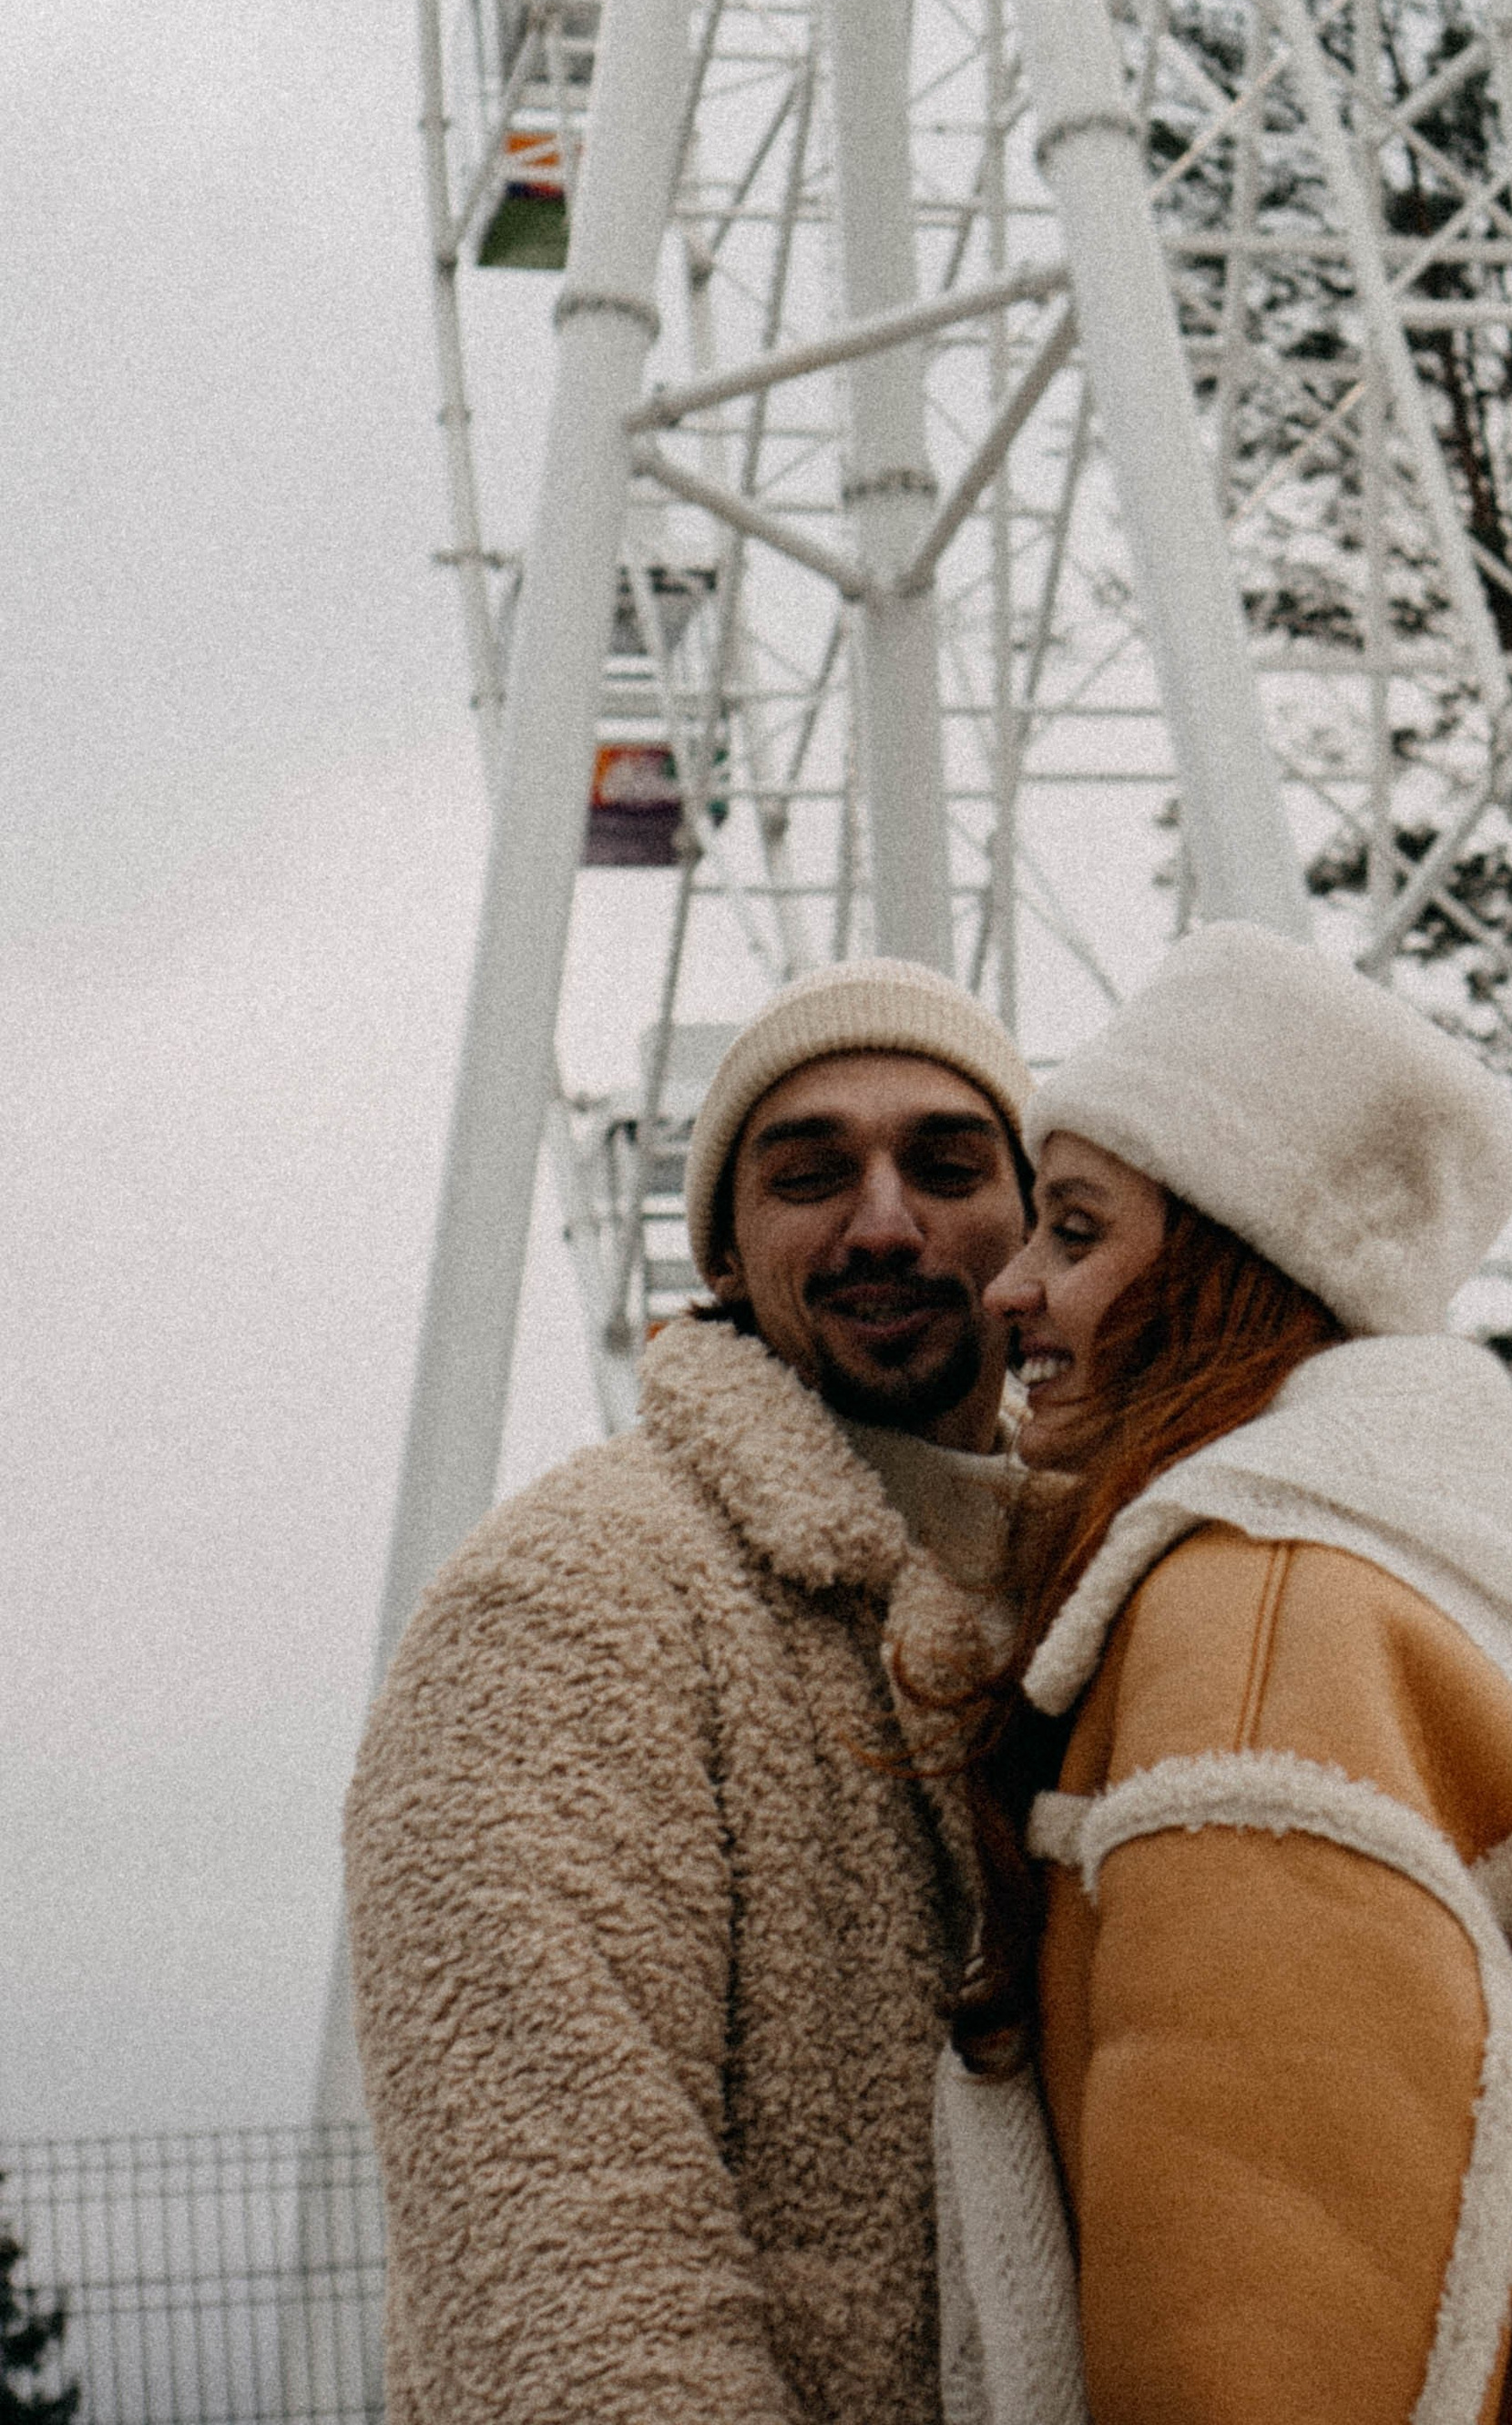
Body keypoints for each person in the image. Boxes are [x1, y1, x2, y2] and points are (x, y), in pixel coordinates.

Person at [939, 924, 1512, 2425]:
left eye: (1076, 1229)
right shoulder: (1466, 1609)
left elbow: (1263, 2329)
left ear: (1232, 1265)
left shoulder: (1248, 1635)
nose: (1008, 1290)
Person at [344, 957, 1033, 2425]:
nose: (887, 1220)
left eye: (948, 1164)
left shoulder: (1119, 1592)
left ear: (1035, 1227)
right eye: (808, 1176)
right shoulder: (566, 1608)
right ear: (720, 1255)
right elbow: (560, 2273)